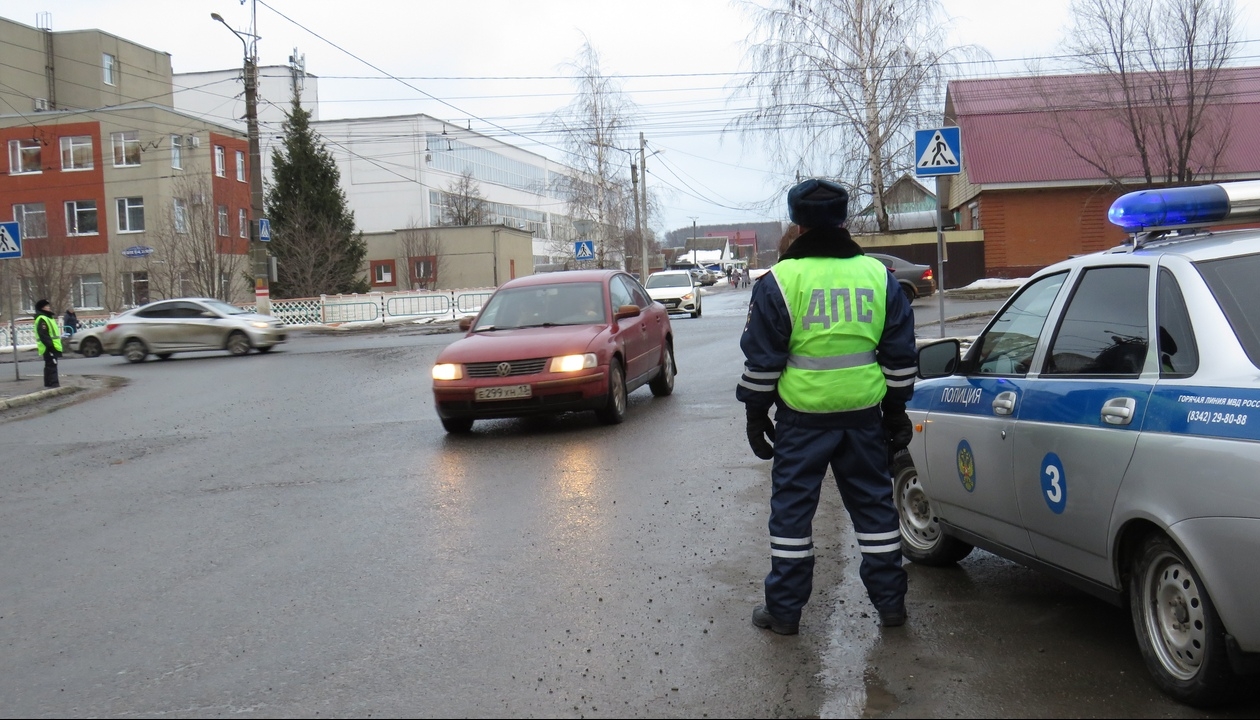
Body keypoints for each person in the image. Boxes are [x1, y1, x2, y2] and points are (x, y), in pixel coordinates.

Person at [737, 178, 917, 635]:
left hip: (802, 421)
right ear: (843, 220)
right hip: (864, 418)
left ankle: (784, 613)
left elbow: (763, 359)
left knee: (792, 517)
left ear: (797, 224)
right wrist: (896, 411)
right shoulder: (878, 276)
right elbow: (899, 355)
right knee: (875, 513)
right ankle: (891, 607)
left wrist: (756, 414)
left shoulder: (780, 281)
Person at [33, 299, 63, 388]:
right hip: (49, 347)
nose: (49, 307)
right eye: (47, 306)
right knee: (52, 365)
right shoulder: (42, 318)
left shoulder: (48, 317)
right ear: (42, 308)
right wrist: (50, 346)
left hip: (52, 346)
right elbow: (43, 334)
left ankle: (48, 383)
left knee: (49, 365)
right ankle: (54, 384)